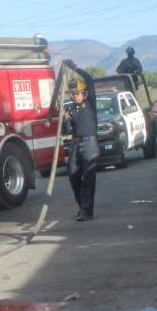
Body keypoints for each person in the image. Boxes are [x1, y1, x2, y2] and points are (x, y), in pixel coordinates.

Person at [64, 76, 99, 221]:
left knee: (88, 178)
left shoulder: (90, 104)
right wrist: (66, 119)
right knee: (73, 175)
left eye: (77, 93)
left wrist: (76, 68)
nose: (75, 96)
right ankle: (81, 206)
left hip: (90, 145)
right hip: (75, 145)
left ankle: (86, 210)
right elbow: (67, 129)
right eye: (73, 93)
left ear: (84, 93)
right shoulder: (71, 109)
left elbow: (90, 80)